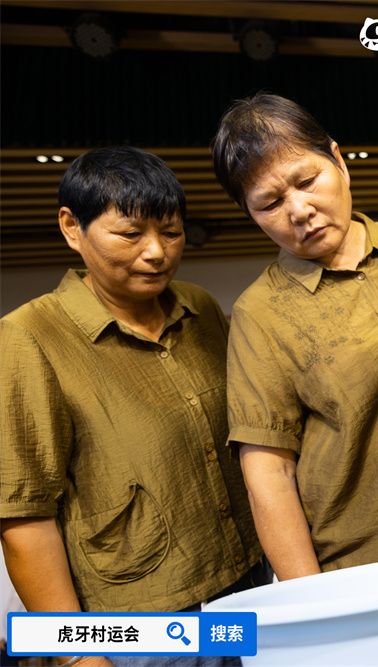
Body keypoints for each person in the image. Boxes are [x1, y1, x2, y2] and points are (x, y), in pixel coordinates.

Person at [0, 147, 262, 666]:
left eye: (170, 231)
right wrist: (76, 656)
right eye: (130, 234)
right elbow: (23, 515)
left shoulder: (199, 308)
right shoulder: (29, 336)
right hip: (132, 625)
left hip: (240, 590)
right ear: (72, 227)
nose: (156, 252)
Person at [210, 93, 378, 581]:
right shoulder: (260, 312)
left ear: (338, 159)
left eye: (308, 181)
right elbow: (270, 473)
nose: (299, 210)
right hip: (364, 564)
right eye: (269, 203)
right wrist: (309, 599)